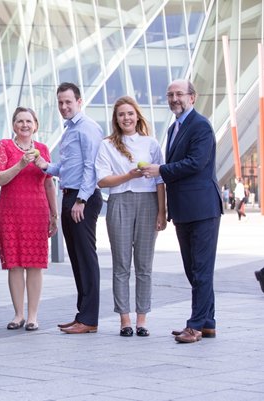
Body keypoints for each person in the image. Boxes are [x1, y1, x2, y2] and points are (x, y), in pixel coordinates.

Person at [141, 79, 223, 343]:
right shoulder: (175, 127)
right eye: (170, 95)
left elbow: (196, 163)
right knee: (193, 269)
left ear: (192, 97)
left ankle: (195, 325)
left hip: (202, 208)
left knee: (201, 269)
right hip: (185, 210)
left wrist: (160, 171)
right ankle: (207, 322)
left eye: (179, 94)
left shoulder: (200, 126)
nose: (174, 98)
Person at [94, 96, 167, 337]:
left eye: (130, 113)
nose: (126, 118)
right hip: (120, 201)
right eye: (121, 114)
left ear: (137, 116)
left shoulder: (151, 143)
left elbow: (159, 180)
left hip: (147, 203)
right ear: (116, 119)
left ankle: (142, 319)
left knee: (144, 265)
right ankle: (125, 319)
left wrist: (162, 211)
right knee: (121, 264)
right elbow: (102, 180)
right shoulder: (107, 145)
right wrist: (129, 175)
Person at [35, 82, 104, 334]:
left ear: (79, 101)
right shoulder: (70, 130)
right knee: (76, 259)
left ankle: (90, 319)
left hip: (81, 199)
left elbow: (91, 167)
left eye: (68, 102)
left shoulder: (87, 128)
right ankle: (82, 315)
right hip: (70, 195)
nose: (64, 106)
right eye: (60, 103)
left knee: (86, 258)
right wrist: (45, 165)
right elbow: (67, 168)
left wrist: (81, 200)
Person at [0, 107, 58, 331]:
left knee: (35, 264)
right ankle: (18, 314)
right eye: (19, 121)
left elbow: (49, 182)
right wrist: (20, 164)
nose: (24, 125)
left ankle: (32, 316)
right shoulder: (4, 146)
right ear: (13, 125)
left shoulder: (43, 149)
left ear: (35, 125)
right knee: (15, 264)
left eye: (28, 121)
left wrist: (54, 214)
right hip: (11, 211)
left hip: (37, 211)